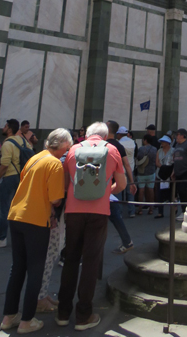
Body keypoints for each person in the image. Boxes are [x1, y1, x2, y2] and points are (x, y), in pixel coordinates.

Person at [0, 128, 71, 334]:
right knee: (35, 270)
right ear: (64, 145)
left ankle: (9, 316)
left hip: (16, 215)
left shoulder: (35, 157)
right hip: (36, 220)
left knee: (17, 268)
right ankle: (27, 320)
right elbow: (55, 199)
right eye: (69, 145)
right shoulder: (54, 164)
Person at [56, 121, 126, 331]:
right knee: (90, 261)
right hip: (98, 212)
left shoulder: (73, 150)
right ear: (105, 136)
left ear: (86, 135)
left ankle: (62, 312)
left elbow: (66, 183)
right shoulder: (111, 150)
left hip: (73, 211)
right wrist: (105, 191)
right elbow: (122, 184)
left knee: (70, 259)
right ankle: (83, 315)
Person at [0, 119, 34, 249]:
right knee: (19, 208)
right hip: (22, 177)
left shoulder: (7, 144)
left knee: (4, 208)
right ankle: (22, 237)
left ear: (9, 129)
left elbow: (4, 165)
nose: (3, 128)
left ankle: (1, 238)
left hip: (10, 176)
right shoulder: (23, 141)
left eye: (5, 126)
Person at [105, 121, 135, 255]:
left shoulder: (104, 145)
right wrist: (132, 182)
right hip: (114, 184)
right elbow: (127, 165)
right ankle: (126, 241)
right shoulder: (119, 146)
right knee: (114, 214)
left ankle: (127, 241)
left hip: (106, 185)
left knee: (114, 214)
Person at [171, 128, 187, 221]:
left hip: (186, 170)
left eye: (177, 135)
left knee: (182, 190)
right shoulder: (177, 145)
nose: (176, 137)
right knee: (179, 191)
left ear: (182, 135)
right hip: (178, 171)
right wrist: (173, 171)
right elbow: (175, 158)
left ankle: (186, 209)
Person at [117, 127, 137, 217]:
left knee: (119, 191)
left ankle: (119, 212)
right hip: (131, 169)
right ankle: (132, 211)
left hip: (121, 170)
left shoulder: (119, 143)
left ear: (119, 134)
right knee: (130, 190)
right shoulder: (133, 142)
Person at [136, 134, 157, 215]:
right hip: (151, 171)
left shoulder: (141, 149)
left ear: (145, 140)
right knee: (151, 190)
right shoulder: (154, 149)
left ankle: (140, 209)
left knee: (141, 190)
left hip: (142, 172)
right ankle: (151, 209)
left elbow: (138, 158)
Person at [155, 135, 174, 218]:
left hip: (170, 174)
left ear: (167, 143)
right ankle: (160, 212)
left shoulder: (173, 151)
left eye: (163, 142)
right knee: (159, 194)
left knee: (171, 194)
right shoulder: (159, 151)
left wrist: (169, 170)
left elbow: (174, 162)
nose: (161, 143)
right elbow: (157, 162)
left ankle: (173, 211)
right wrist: (163, 167)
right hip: (160, 174)